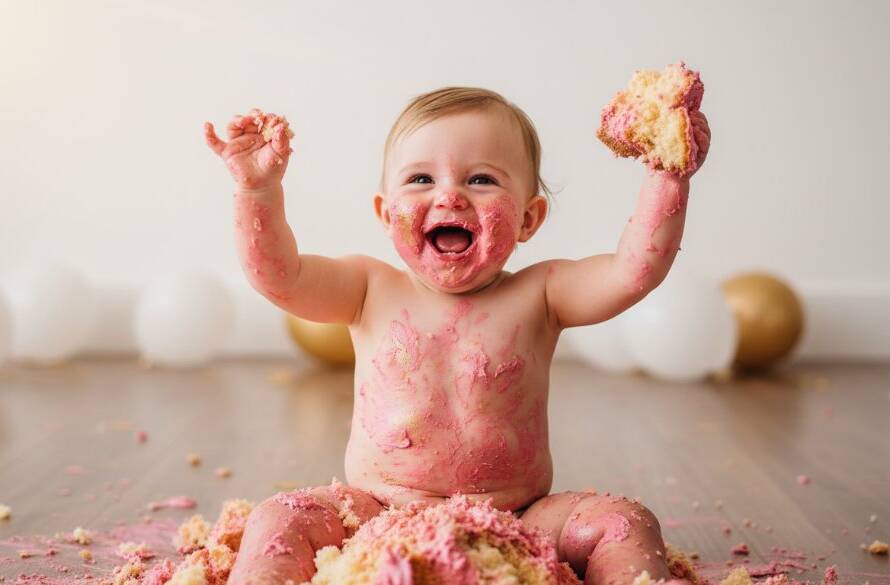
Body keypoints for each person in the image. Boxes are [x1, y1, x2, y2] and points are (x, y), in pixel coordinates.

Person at [203, 86, 710, 585]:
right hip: (375, 513)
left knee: (624, 521)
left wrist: (667, 176)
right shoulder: (367, 288)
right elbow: (280, 276)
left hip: (519, 519)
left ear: (528, 218)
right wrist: (256, 192)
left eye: (482, 179)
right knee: (280, 517)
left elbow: (632, 271)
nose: (449, 195)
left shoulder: (542, 294)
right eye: (421, 178)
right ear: (386, 214)